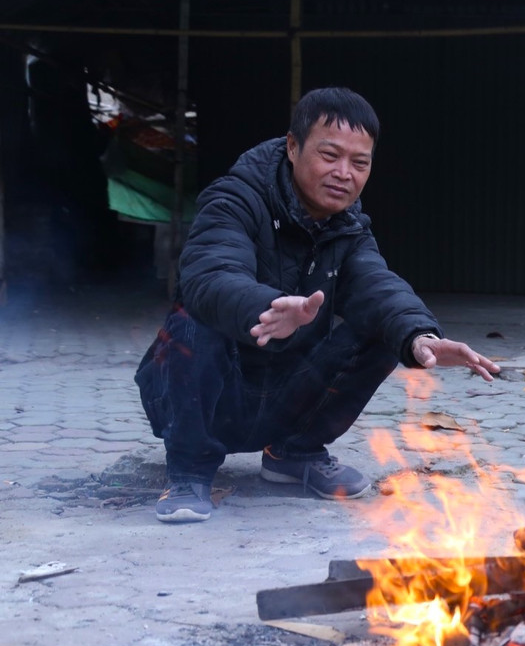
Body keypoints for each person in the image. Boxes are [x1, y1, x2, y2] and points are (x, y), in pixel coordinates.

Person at [135, 87, 500, 524]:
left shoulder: (348, 226)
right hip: (211, 395)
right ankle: (190, 471)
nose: (344, 173)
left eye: (359, 163)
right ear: (292, 147)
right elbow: (210, 274)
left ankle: (295, 453)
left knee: (384, 327)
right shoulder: (235, 199)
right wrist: (265, 307)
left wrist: (419, 334)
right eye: (330, 156)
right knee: (194, 317)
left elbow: (376, 285)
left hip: (282, 392)